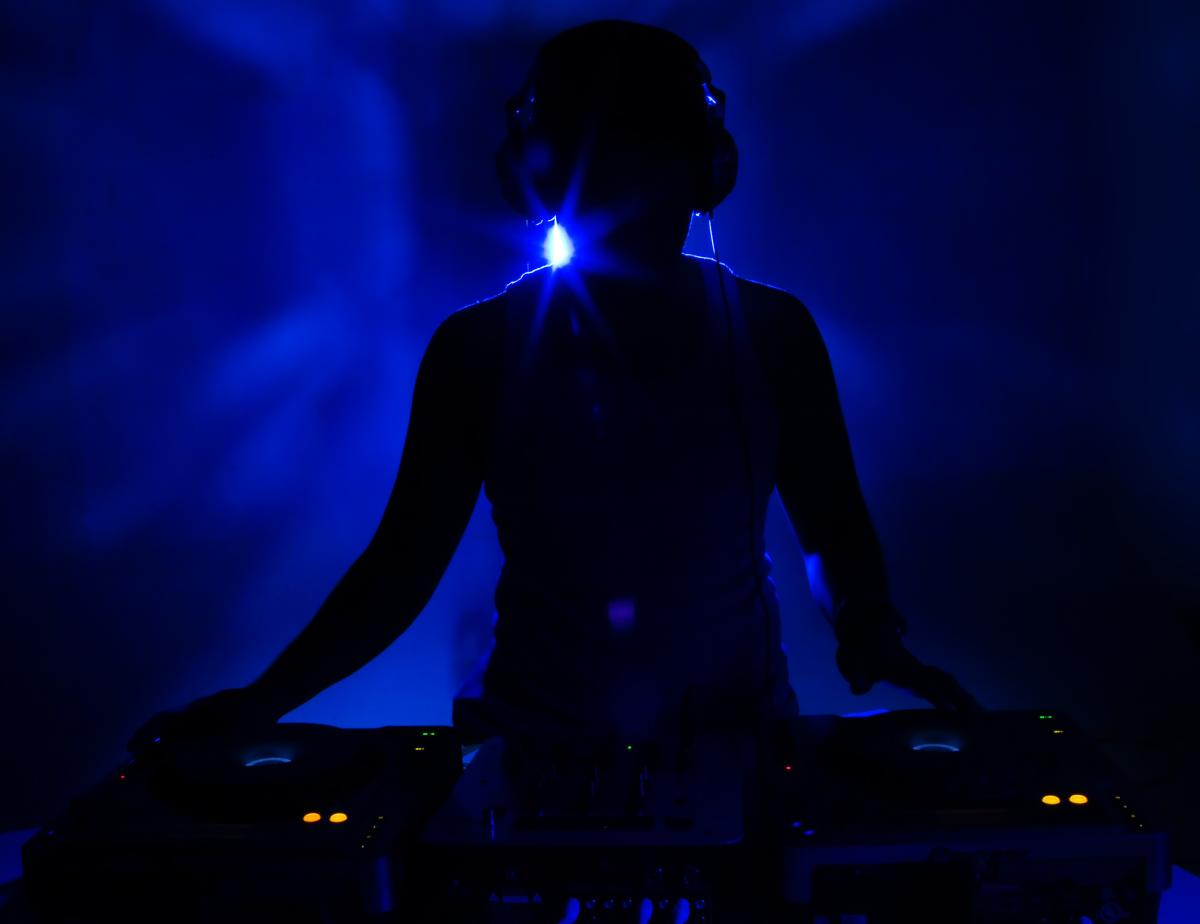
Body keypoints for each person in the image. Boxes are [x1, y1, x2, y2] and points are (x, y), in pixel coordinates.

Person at [130, 20, 979, 754]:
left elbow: (833, 529)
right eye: (605, 164)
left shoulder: (771, 334)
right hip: (553, 747)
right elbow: (401, 568)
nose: (629, 192)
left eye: (645, 159)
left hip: (723, 743)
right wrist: (262, 702)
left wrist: (869, 626)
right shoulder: (481, 350)